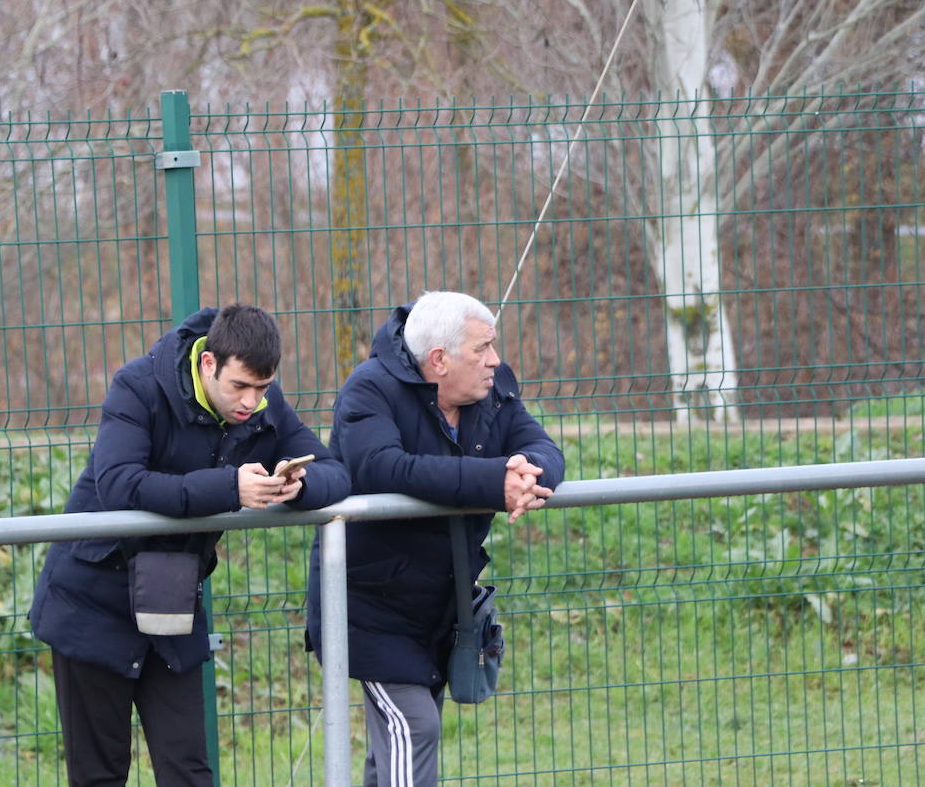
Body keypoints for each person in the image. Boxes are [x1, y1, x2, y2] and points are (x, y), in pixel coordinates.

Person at [30, 304, 350, 787]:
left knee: (189, 772)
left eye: (261, 388)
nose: (250, 402)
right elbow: (120, 484)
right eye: (239, 386)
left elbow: (335, 472)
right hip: (91, 599)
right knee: (99, 775)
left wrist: (299, 487)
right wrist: (229, 489)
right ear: (208, 364)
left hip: (171, 604)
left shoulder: (265, 405)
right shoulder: (137, 386)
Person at [306, 290, 565, 786]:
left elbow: (540, 444)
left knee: (396, 752)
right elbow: (385, 468)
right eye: (482, 349)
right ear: (440, 360)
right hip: (370, 608)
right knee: (415, 729)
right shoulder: (369, 390)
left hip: (442, 608)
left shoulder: (492, 389)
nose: (495, 361)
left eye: (493, 347)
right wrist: (495, 482)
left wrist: (529, 476)